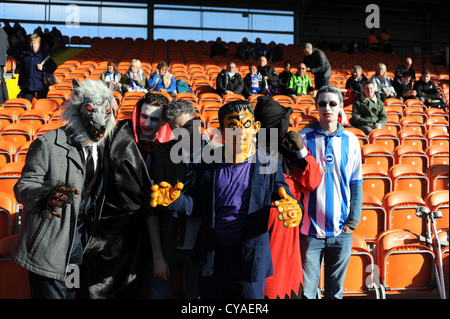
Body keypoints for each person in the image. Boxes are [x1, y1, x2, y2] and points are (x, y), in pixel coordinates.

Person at [150, 100, 303, 299]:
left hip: (250, 260)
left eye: (246, 125)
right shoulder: (208, 162)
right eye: (232, 126)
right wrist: (174, 201)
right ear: (222, 131)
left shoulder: (269, 163)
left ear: (255, 128)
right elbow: (195, 203)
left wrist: (294, 208)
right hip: (213, 258)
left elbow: (285, 196)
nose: (240, 132)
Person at [13, 79, 116, 299]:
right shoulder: (48, 144)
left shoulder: (105, 149)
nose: (100, 121)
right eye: (91, 111)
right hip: (50, 247)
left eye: (105, 112)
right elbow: (23, 186)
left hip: (78, 248)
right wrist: (45, 195)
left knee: (72, 295)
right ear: (78, 111)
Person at [82, 92, 170, 299]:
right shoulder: (119, 134)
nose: (147, 123)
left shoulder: (170, 147)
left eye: (154, 119)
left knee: (130, 291)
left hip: (142, 232)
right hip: (107, 227)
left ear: (163, 121)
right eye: (144, 116)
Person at [148, 99, 221, 299]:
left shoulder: (218, 153)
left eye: (187, 126)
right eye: (176, 129)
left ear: (197, 121)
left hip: (203, 244)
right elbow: (152, 211)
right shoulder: (162, 154)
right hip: (168, 244)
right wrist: (157, 255)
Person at [298, 85, 363, 299]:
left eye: (333, 104)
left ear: (341, 107)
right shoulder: (303, 138)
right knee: (305, 293)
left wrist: (352, 220)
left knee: (335, 294)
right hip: (309, 231)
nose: (327, 108)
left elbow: (356, 183)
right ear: (316, 106)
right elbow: (294, 182)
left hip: (341, 231)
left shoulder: (352, 141)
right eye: (322, 103)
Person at [254, 96, 321, 299]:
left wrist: (301, 150)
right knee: (266, 285)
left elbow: (312, 181)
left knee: (288, 284)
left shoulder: (288, 151)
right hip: (265, 228)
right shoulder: (248, 152)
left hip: (288, 230)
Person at [18, 33, 57, 102]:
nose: (33, 45)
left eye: (35, 43)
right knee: (26, 105)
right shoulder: (25, 56)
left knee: (41, 106)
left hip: (41, 86)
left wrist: (43, 68)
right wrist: (20, 83)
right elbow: (22, 71)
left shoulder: (44, 55)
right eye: (31, 43)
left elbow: (53, 67)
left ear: (39, 44)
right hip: (28, 86)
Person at [0, 24, 9, 104]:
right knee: (1, 80)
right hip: (2, 60)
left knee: (1, 80)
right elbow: (7, 46)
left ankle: (3, 100)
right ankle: (5, 100)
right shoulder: (4, 33)